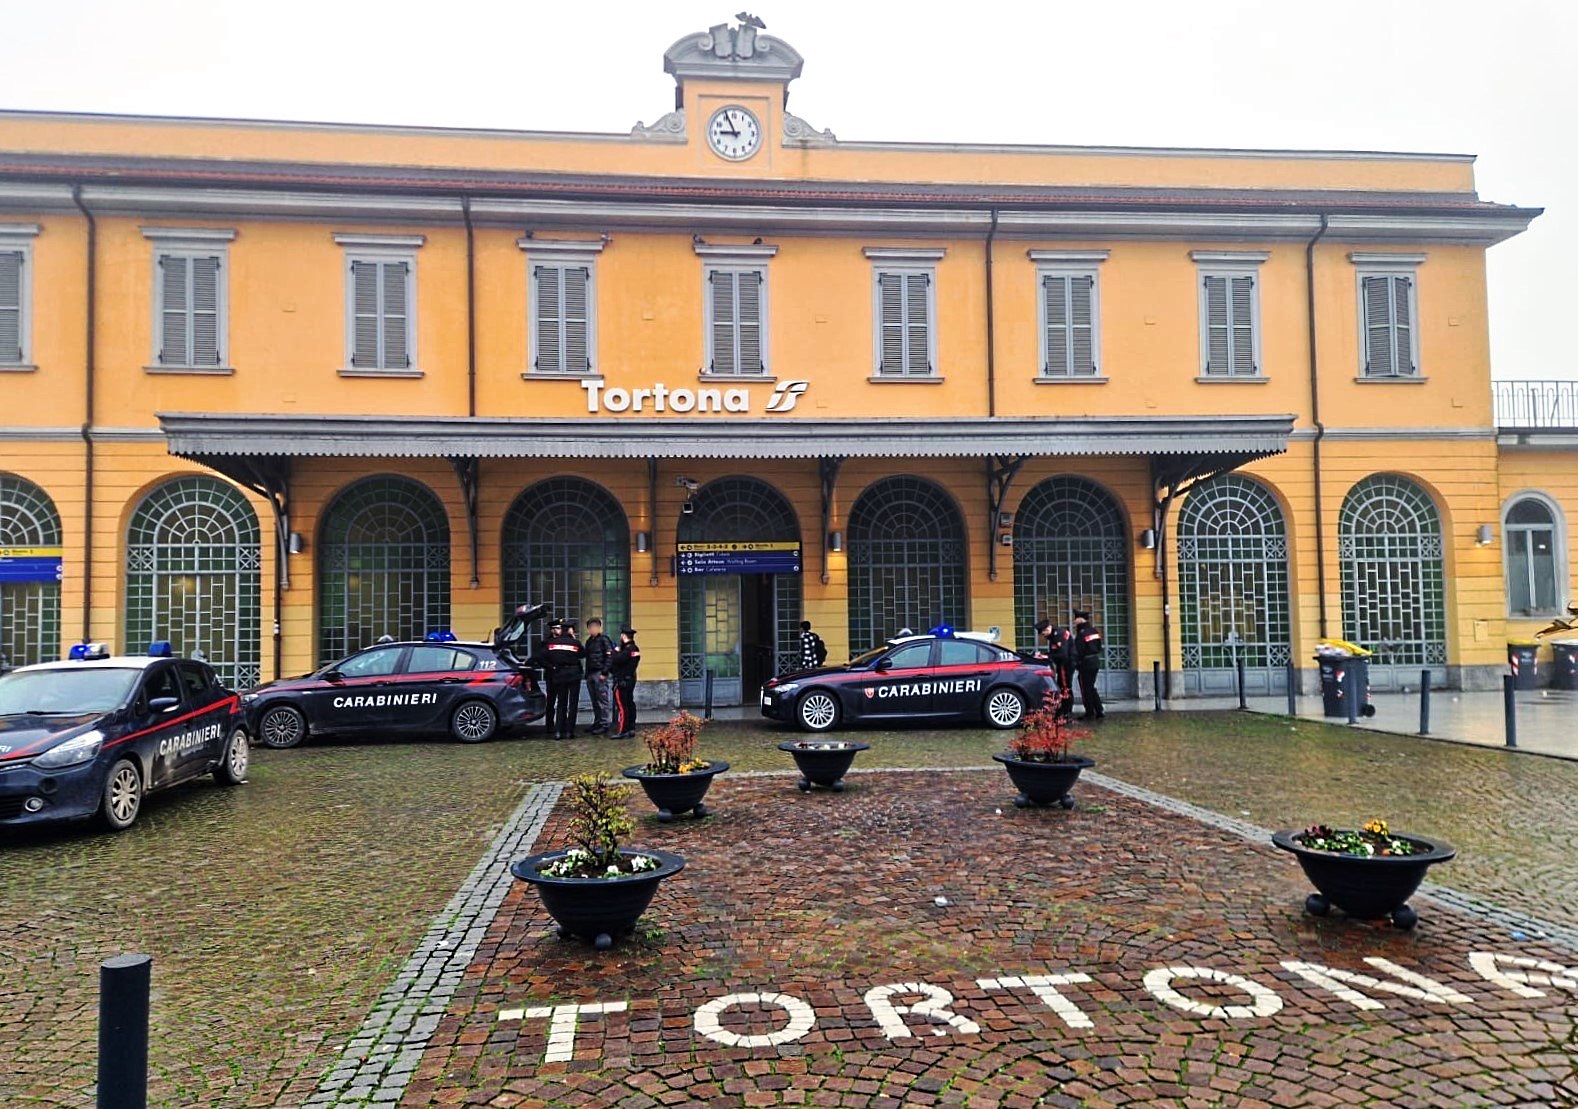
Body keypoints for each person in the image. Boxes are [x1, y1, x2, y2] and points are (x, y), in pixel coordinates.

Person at [532, 618, 585, 740]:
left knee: (561, 703)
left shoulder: (552, 643)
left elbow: (540, 656)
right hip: (573, 674)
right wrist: (574, 639)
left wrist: (553, 667)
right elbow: (583, 654)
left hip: (559, 675)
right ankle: (569, 731)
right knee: (573, 704)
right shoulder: (575, 643)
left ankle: (558, 732)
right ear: (570, 630)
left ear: (562, 630)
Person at [1034, 617, 1075, 721]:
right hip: (1063, 664)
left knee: (1065, 688)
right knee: (1062, 687)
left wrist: (1047, 656)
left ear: (1047, 629)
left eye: (1043, 634)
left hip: (1066, 664)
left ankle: (1066, 713)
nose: (1044, 636)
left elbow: (1062, 654)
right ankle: (1062, 712)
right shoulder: (1054, 635)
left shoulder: (1059, 635)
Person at [583, 617, 614, 735]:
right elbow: (587, 657)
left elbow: (609, 657)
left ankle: (604, 724)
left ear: (598, 628)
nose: (592, 629)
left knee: (602, 700)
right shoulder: (589, 641)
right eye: (590, 627)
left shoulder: (604, 640)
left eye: (594, 627)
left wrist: (605, 672)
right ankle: (597, 722)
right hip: (591, 673)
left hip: (599, 673)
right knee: (594, 701)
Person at [1072, 609, 1105, 720]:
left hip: (1085, 663)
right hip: (1094, 661)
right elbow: (1099, 647)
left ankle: (1089, 712)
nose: (1074, 620)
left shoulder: (1082, 633)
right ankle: (1099, 710)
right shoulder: (1094, 631)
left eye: (1076, 618)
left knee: (1085, 688)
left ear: (1081, 619)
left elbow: (1078, 650)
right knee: (1090, 687)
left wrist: (1075, 663)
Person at [609, 626, 642, 739]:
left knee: (622, 707)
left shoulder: (626, 650)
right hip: (630, 679)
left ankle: (623, 730)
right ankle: (631, 728)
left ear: (623, 636)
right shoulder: (635, 649)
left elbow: (617, 660)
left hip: (621, 681)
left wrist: (613, 652)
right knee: (630, 704)